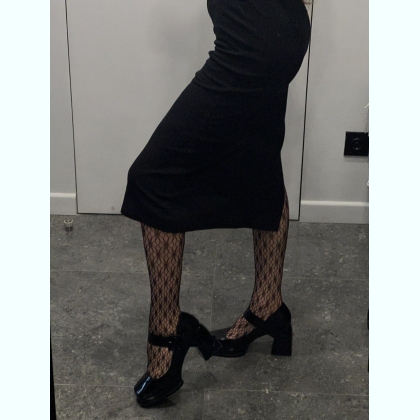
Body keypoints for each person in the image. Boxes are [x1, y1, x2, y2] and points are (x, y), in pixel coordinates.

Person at [120, 0, 311, 408]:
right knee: (261, 164)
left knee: (152, 179)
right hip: (273, 31)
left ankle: (168, 334)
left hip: (255, 40)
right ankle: (268, 306)